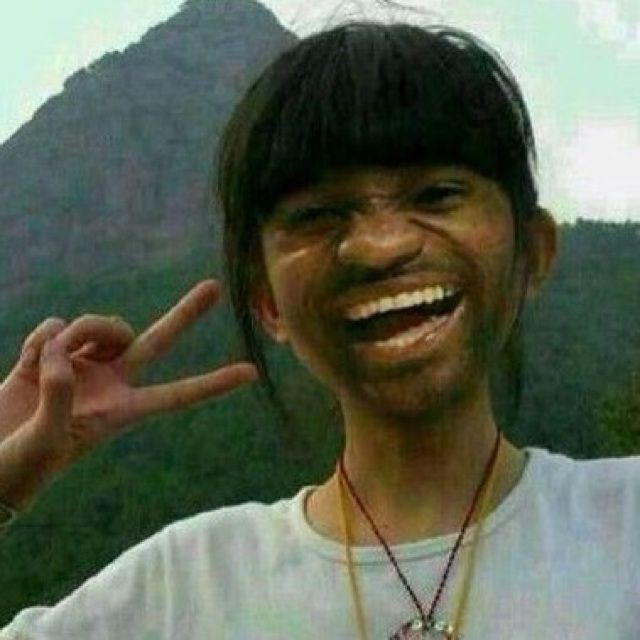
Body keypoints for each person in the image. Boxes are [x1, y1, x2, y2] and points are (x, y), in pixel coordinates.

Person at [1, 20, 638, 640]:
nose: (381, 245)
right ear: (268, 304)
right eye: (319, 215)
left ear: (532, 252)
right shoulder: (181, 588)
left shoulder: (624, 523)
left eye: (436, 194)